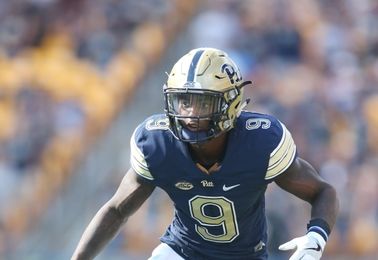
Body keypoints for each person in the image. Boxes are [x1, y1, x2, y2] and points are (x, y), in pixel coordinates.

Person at [71, 47, 339, 260]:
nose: (189, 113)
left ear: (230, 103)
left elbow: (322, 191)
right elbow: (117, 209)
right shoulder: (157, 143)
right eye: (183, 101)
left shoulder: (261, 142)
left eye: (202, 102)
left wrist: (316, 237)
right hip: (181, 251)